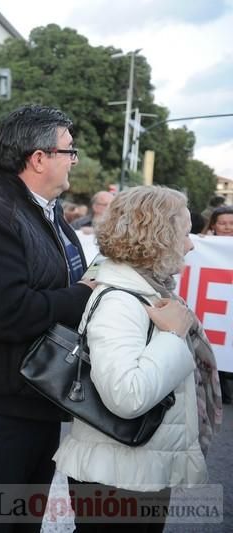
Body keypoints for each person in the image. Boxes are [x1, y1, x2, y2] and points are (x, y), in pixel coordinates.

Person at [0, 104, 95, 532]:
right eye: (69, 150)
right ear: (38, 158)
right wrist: (83, 295)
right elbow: (6, 314)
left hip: (39, 398)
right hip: (1, 410)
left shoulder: (46, 211)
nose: (74, 159)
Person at [54, 186, 222, 531]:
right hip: (118, 479)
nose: (190, 245)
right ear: (158, 235)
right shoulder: (122, 301)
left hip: (133, 469)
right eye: (184, 233)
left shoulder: (146, 291)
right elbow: (126, 396)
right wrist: (173, 337)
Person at [203, 205, 233, 404]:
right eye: (222, 223)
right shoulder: (202, 243)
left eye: (231, 223)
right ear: (213, 225)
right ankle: (220, 388)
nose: (227, 227)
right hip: (215, 306)